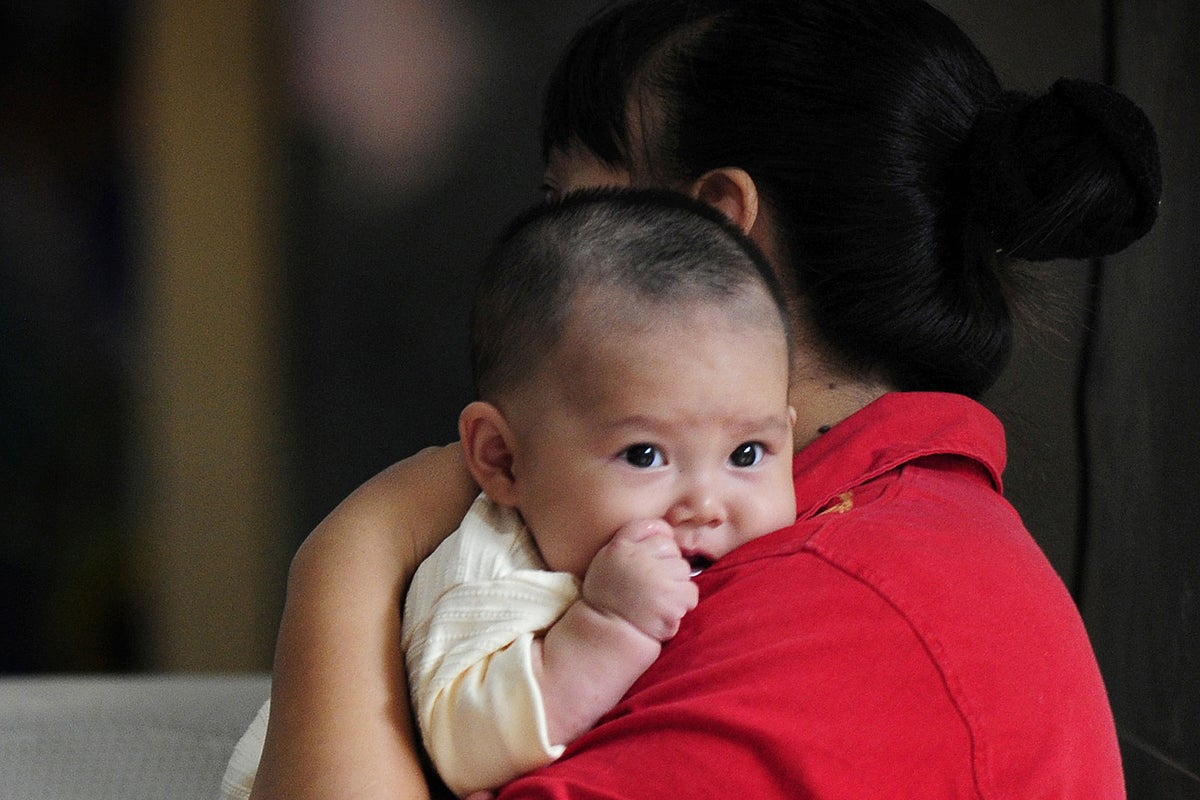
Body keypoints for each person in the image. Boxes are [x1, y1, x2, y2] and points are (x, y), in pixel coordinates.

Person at [249, 1, 1162, 798]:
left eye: (566, 202)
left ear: (714, 226)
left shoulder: (842, 614)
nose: (538, 247)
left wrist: (358, 548)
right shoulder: (830, 543)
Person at [225, 188, 797, 799]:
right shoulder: (487, 569)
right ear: (502, 459)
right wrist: (607, 627)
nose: (706, 505)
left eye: (747, 454)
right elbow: (464, 745)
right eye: (644, 455)